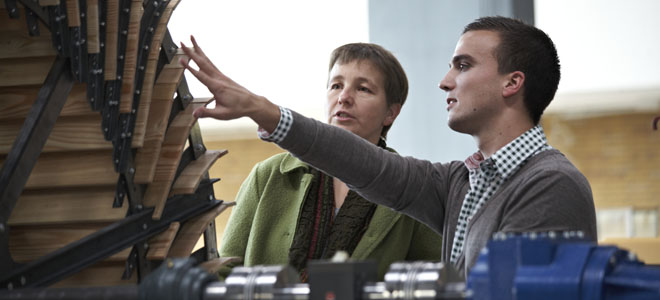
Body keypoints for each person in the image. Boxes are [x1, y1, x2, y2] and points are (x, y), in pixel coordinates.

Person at [180, 16, 597, 277]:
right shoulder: (461, 183)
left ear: (512, 82)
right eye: (337, 86)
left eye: (464, 65)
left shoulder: (549, 185)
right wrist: (262, 110)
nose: (445, 80)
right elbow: (365, 165)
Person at [217, 43, 443, 281]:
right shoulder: (269, 175)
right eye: (336, 86)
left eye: (363, 89)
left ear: (391, 113)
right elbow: (225, 270)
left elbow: (434, 278)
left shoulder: (410, 187)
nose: (344, 98)